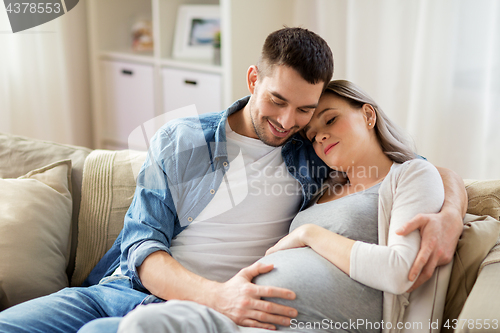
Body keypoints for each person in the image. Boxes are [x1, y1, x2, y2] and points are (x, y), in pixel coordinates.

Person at [0, 28, 465, 333]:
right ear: (252, 80)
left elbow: (406, 164)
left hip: (199, 318)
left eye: (305, 109)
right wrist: (221, 296)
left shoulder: (315, 149)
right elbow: (141, 248)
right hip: (122, 291)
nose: (288, 121)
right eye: (277, 100)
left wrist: (448, 212)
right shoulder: (183, 140)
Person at [113, 80, 454, 333]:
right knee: (141, 325)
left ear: (367, 115)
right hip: (242, 312)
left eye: (331, 120)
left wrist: (309, 234)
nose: (319, 136)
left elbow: (399, 269)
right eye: (312, 133)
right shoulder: (322, 183)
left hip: (310, 324)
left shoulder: (406, 176)